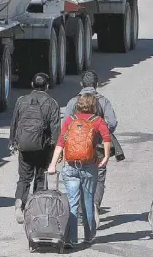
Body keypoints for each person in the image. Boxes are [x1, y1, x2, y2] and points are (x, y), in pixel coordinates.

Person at [48, 93, 111, 248]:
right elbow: (107, 138)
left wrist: (53, 163)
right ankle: (89, 237)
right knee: (88, 202)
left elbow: (61, 142)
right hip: (89, 166)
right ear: (94, 106)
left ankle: (71, 238)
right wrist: (107, 156)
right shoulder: (98, 121)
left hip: (70, 166)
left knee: (72, 203)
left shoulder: (70, 120)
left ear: (78, 105)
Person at [62, 70, 118, 228]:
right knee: (99, 178)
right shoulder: (103, 101)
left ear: (81, 84)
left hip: (77, 148)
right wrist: (101, 133)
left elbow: (65, 124)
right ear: (97, 85)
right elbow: (112, 123)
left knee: (79, 177)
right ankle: (94, 205)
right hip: (99, 147)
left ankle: (81, 213)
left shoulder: (74, 101)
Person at [9, 72, 61, 224]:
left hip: (24, 146)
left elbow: (15, 123)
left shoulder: (21, 101)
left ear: (32, 85)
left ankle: (19, 202)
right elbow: (55, 129)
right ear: (47, 86)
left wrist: (13, 142)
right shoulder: (52, 103)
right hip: (42, 148)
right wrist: (54, 149)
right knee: (39, 178)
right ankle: (36, 209)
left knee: (24, 178)